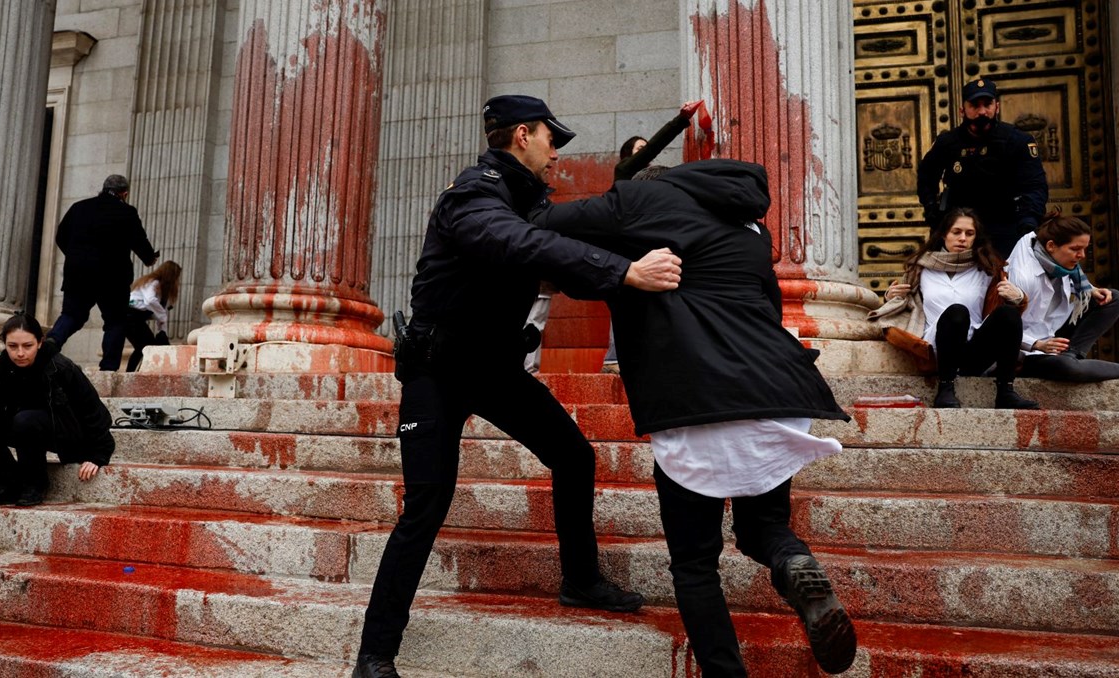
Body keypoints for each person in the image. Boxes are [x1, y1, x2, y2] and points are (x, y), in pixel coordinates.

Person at [352, 95, 683, 678]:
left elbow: (557, 262)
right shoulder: (474, 195)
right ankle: (375, 655)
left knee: (574, 457)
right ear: (523, 135)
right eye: (552, 140)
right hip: (438, 370)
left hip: (495, 369)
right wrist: (624, 272)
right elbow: (518, 244)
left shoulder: (524, 201)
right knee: (426, 505)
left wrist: (627, 272)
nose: (557, 153)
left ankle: (581, 580)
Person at [530, 161, 857, 676]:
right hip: (776, 389)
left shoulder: (639, 205)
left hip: (698, 398)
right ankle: (792, 560)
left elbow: (543, 224)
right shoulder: (750, 228)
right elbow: (769, 307)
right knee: (762, 529)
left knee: (694, 564)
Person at [0, 314, 115, 507]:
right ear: (5, 344)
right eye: (13, 346)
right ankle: (8, 484)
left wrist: (98, 455)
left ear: (40, 343)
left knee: (26, 419)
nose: (20, 353)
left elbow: (92, 409)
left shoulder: (61, 367)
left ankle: (35, 484)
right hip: (22, 428)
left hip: (63, 432)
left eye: (27, 346)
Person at [875, 208, 1038, 409]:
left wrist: (1019, 298)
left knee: (1008, 314)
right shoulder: (921, 267)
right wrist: (889, 297)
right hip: (938, 349)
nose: (962, 238)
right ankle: (945, 388)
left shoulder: (987, 267)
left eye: (969, 234)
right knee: (957, 312)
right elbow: (904, 306)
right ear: (944, 234)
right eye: (956, 232)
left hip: (975, 351)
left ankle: (1006, 391)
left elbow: (1004, 310)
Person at [600, 99, 702, 373]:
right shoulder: (624, 173)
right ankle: (613, 358)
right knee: (623, 299)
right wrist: (680, 120)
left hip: (652, 249)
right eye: (639, 150)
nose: (647, 154)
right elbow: (655, 146)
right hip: (627, 250)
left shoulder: (656, 181)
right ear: (627, 156)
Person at [916, 77, 1048, 257]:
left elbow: (1035, 185)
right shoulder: (947, 142)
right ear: (962, 110)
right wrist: (931, 207)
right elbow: (926, 175)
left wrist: (1029, 219)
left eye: (987, 104)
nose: (982, 111)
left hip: (1005, 224)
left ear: (997, 107)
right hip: (960, 227)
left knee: (1003, 281)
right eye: (975, 105)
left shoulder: (1017, 140)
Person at [46, 174, 160, 370]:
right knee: (115, 321)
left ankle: (52, 342)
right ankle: (108, 369)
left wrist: (78, 257)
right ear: (124, 193)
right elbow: (140, 242)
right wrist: (150, 258)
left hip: (78, 275)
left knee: (72, 315)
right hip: (113, 278)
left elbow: (61, 236)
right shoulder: (126, 212)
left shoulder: (78, 208)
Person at [1006, 210, 1119, 381]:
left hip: (1053, 334)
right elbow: (1000, 327)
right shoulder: (1023, 277)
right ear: (1051, 246)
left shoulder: (1048, 253)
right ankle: (1068, 362)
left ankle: (1071, 354)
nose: (1081, 256)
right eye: (1075, 249)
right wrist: (1038, 345)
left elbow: (1074, 277)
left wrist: (1091, 289)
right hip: (1024, 350)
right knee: (1067, 368)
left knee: (1113, 298)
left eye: (1084, 249)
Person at [124, 260, 181, 372]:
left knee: (145, 347)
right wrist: (162, 315)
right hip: (130, 316)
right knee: (145, 346)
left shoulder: (162, 293)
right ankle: (130, 373)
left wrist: (163, 331)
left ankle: (133, 372)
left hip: (136, 318)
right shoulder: (153, 282)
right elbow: (150, 300)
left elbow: (162, 316)